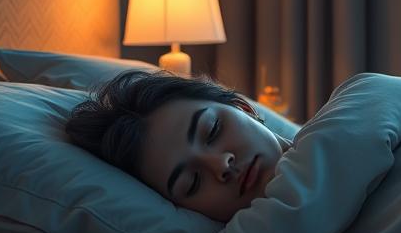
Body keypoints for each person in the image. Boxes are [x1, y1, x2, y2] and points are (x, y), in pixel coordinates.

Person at [65, 70, 292, 221]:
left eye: (213, 130)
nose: (222, 165)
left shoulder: (327, 129)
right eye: (192, 182)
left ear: (244, 108)